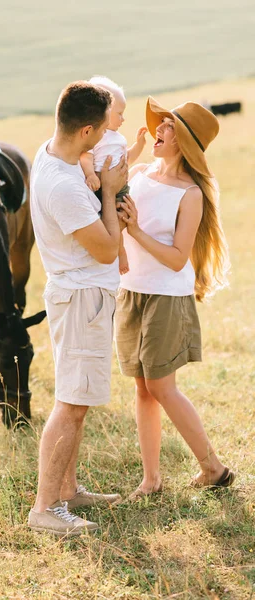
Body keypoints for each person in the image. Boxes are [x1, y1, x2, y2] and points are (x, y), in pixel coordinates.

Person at [115, 96, 234, 501]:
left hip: (166, 296)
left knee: (162, 387)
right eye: (161, 125)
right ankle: (151, 480)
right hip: (132, 292)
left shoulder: (190, 195)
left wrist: (135, 233)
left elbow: (177, 257)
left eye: (166, 128)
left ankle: (213, 468)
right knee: (142, 389)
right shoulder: (141, 172)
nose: (157, 132)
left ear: (181, 141)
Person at [28, 81, 127, 537]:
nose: (108, 137)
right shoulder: (64, 186)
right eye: (104, 130)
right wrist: (109, 192)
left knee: (78, 401)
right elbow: (107, 251)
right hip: (83, 297)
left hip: (81, 295)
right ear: (87, 130)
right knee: (70, 404)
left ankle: (67, 490)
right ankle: (45, 508)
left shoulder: (52, 153)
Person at [80, 76, 147, 275]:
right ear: (105, 112)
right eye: (119, 113)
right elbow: (86, 157)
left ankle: (118, 247)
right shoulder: (95, 135)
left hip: (121, 186)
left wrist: (140, 145)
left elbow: (127, 159)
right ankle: (119, 250)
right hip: (100, 186)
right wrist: (91, 175)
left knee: (125, 216)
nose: (123, 119)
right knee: (110, 222)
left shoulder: (118, 138)